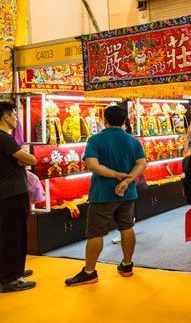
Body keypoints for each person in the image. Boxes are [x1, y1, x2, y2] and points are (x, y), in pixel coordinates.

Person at [65, 105, 147, 286]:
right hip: (127, 193)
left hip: (102, 193)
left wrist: (115, 175)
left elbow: (92, 165)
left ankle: (89, 272)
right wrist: (127, 180)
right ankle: (127, 265)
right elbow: (141, 163)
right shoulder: (133, 141)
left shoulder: (95, 140)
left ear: (104, 119)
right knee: (127, 227)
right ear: (124, 120)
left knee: (96, 233)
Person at [0, 101, 37, 293]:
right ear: (5, 116)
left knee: (10, 233)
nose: (16, 119)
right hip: (12, 191)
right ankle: (11, 277)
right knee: (13, 234)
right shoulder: (4, 138)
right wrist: (24, 159)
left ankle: (13, 270)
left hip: (9, 190)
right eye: (14, 114)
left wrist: (21, 160)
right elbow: (31, 159)